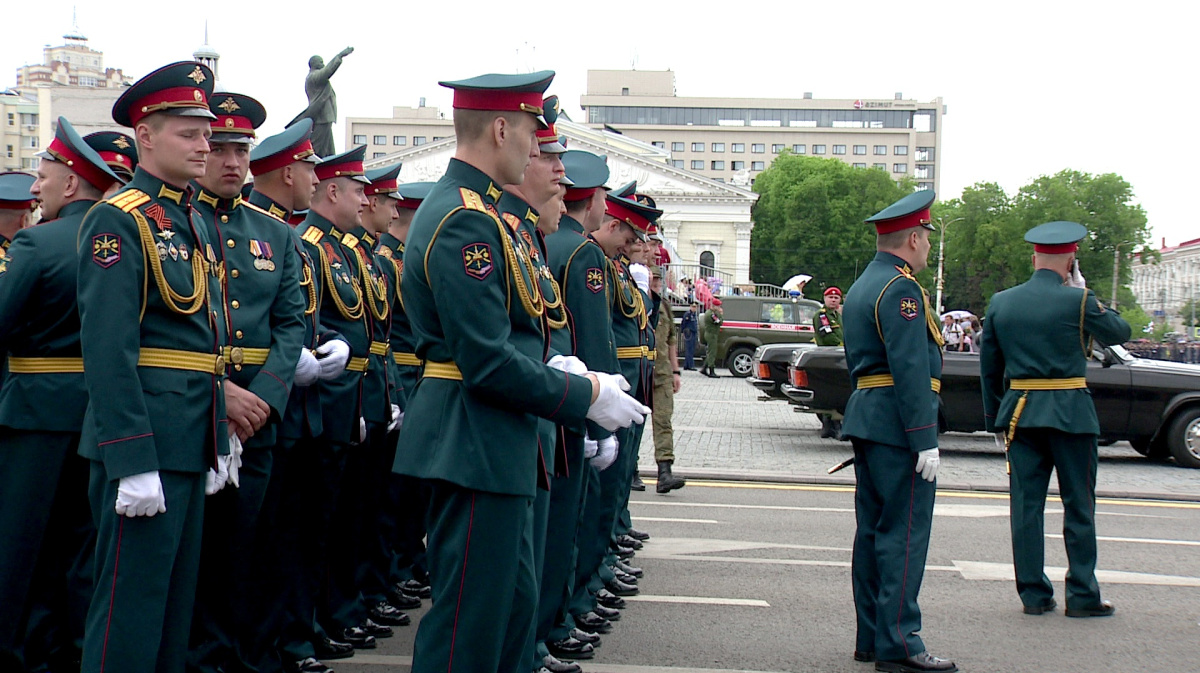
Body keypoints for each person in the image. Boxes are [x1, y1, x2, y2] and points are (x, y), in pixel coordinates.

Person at [391, 70, 648, 673]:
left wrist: (560, 369)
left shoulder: (484, 216)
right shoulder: (465, 220)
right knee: (470, 627)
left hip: (495, 439)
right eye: (533, 133)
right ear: (501, 128)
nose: (539, 149)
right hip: (473, 437)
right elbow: (484, 361)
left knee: (510, 608)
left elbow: (512, 338)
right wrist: (582, 394)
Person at [75, 61, 230, 673]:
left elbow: (203, 342)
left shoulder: (191, 219)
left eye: (207, 134)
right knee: (128, 615)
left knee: (170, 615)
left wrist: (215, 435)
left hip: (189, 439)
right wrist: (133, 458)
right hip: (146, 444)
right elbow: (109, 350)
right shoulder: (120, 219)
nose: (205, 146)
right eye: (188, 134)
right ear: (145, 136)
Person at [186, 91, 309, 673]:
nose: (233, 161)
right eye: (221, 147)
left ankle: (243, 658)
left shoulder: (276, 234)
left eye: (242, 149)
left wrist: (264, 396)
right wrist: (219, 398)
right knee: (194, 557)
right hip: (193, 410)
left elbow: (292, 325)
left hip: (258, 417)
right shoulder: (173, 222)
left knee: (249, 551)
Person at [0, 120, 118, 673]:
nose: (35, 189)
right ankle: (77, 653)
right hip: (100, 412)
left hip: (34, 413)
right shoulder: (122, 241)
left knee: (21, 548)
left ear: (71, 184)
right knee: (84, 549)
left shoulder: (35, 241)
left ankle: (21, 654)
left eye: (43, 178)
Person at [980, 221, 1131, 619]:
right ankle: (1082, 595)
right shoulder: (1076, 300)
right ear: (1071, 260)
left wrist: (995, 417)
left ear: (1034, 258)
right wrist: (1084, 293)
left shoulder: (1001, 301)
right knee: (1079, 505)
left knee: (1025, 508)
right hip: (1071, 415)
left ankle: (1033, 595)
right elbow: (1120, 332)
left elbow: (990, 368)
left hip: (1021, 414)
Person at [840, 190, 956, 673]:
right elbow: (909, 367)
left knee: (872, 533)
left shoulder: (864, 285)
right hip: (897, 424)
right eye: (927, 237)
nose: (928, 246)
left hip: (870, 416)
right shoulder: (902, 289)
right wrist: (925, 436)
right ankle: (900, 644)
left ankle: (872, 636)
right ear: (913, 237)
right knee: (904, 535)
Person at [543, 148, 622, 664]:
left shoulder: (552, 245)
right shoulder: (583, 254)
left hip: (560, 396)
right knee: (563, 527)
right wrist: (600, 415)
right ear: (591, 201)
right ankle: (556, 623)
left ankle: (553, 623)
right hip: (577, 401)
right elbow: (593, 340)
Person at [651, 266, 686, 493]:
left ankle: (665, 472)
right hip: (638, 371)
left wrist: (675, 371)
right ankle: (630, 470)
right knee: (632, 423)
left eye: (657, 281)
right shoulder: (633, 301)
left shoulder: (663, 306)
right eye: (652, 280)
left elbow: (671, 339)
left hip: (662, 373)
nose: (655, 285)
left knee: (663, 421)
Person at [813, 286, 844, 439]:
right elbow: (827, 336)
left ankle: (830, 425)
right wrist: (842, 346)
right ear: (824, 299)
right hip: (827, 356)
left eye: (836, 298)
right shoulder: (822, 315)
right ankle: (830, 425)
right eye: (830, 297)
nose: (833, 300)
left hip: (838, 357)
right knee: (829, 390)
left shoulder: (838, 316)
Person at [700, 299, 723, 377]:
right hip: (711, 335)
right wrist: (721, 314)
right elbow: (719, 322)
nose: (719, 307)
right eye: (718, 306)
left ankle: (704, 368)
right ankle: (711, 371)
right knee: (712, 353)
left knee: (710, 352)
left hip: (711, 334)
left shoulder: (711, 313)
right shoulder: (711, 314)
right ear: (714, 306)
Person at [681, 302, 699, 370]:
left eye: (695, 307)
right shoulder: (688, 314)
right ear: (690, 307)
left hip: (693, 332)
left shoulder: (694, 315)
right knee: (689, 349)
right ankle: (691, 365)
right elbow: (683, 323)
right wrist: (683, 332)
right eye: (693, 307)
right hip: (689, 333)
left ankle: (687, 365)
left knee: (691, 349)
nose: (694, 308)